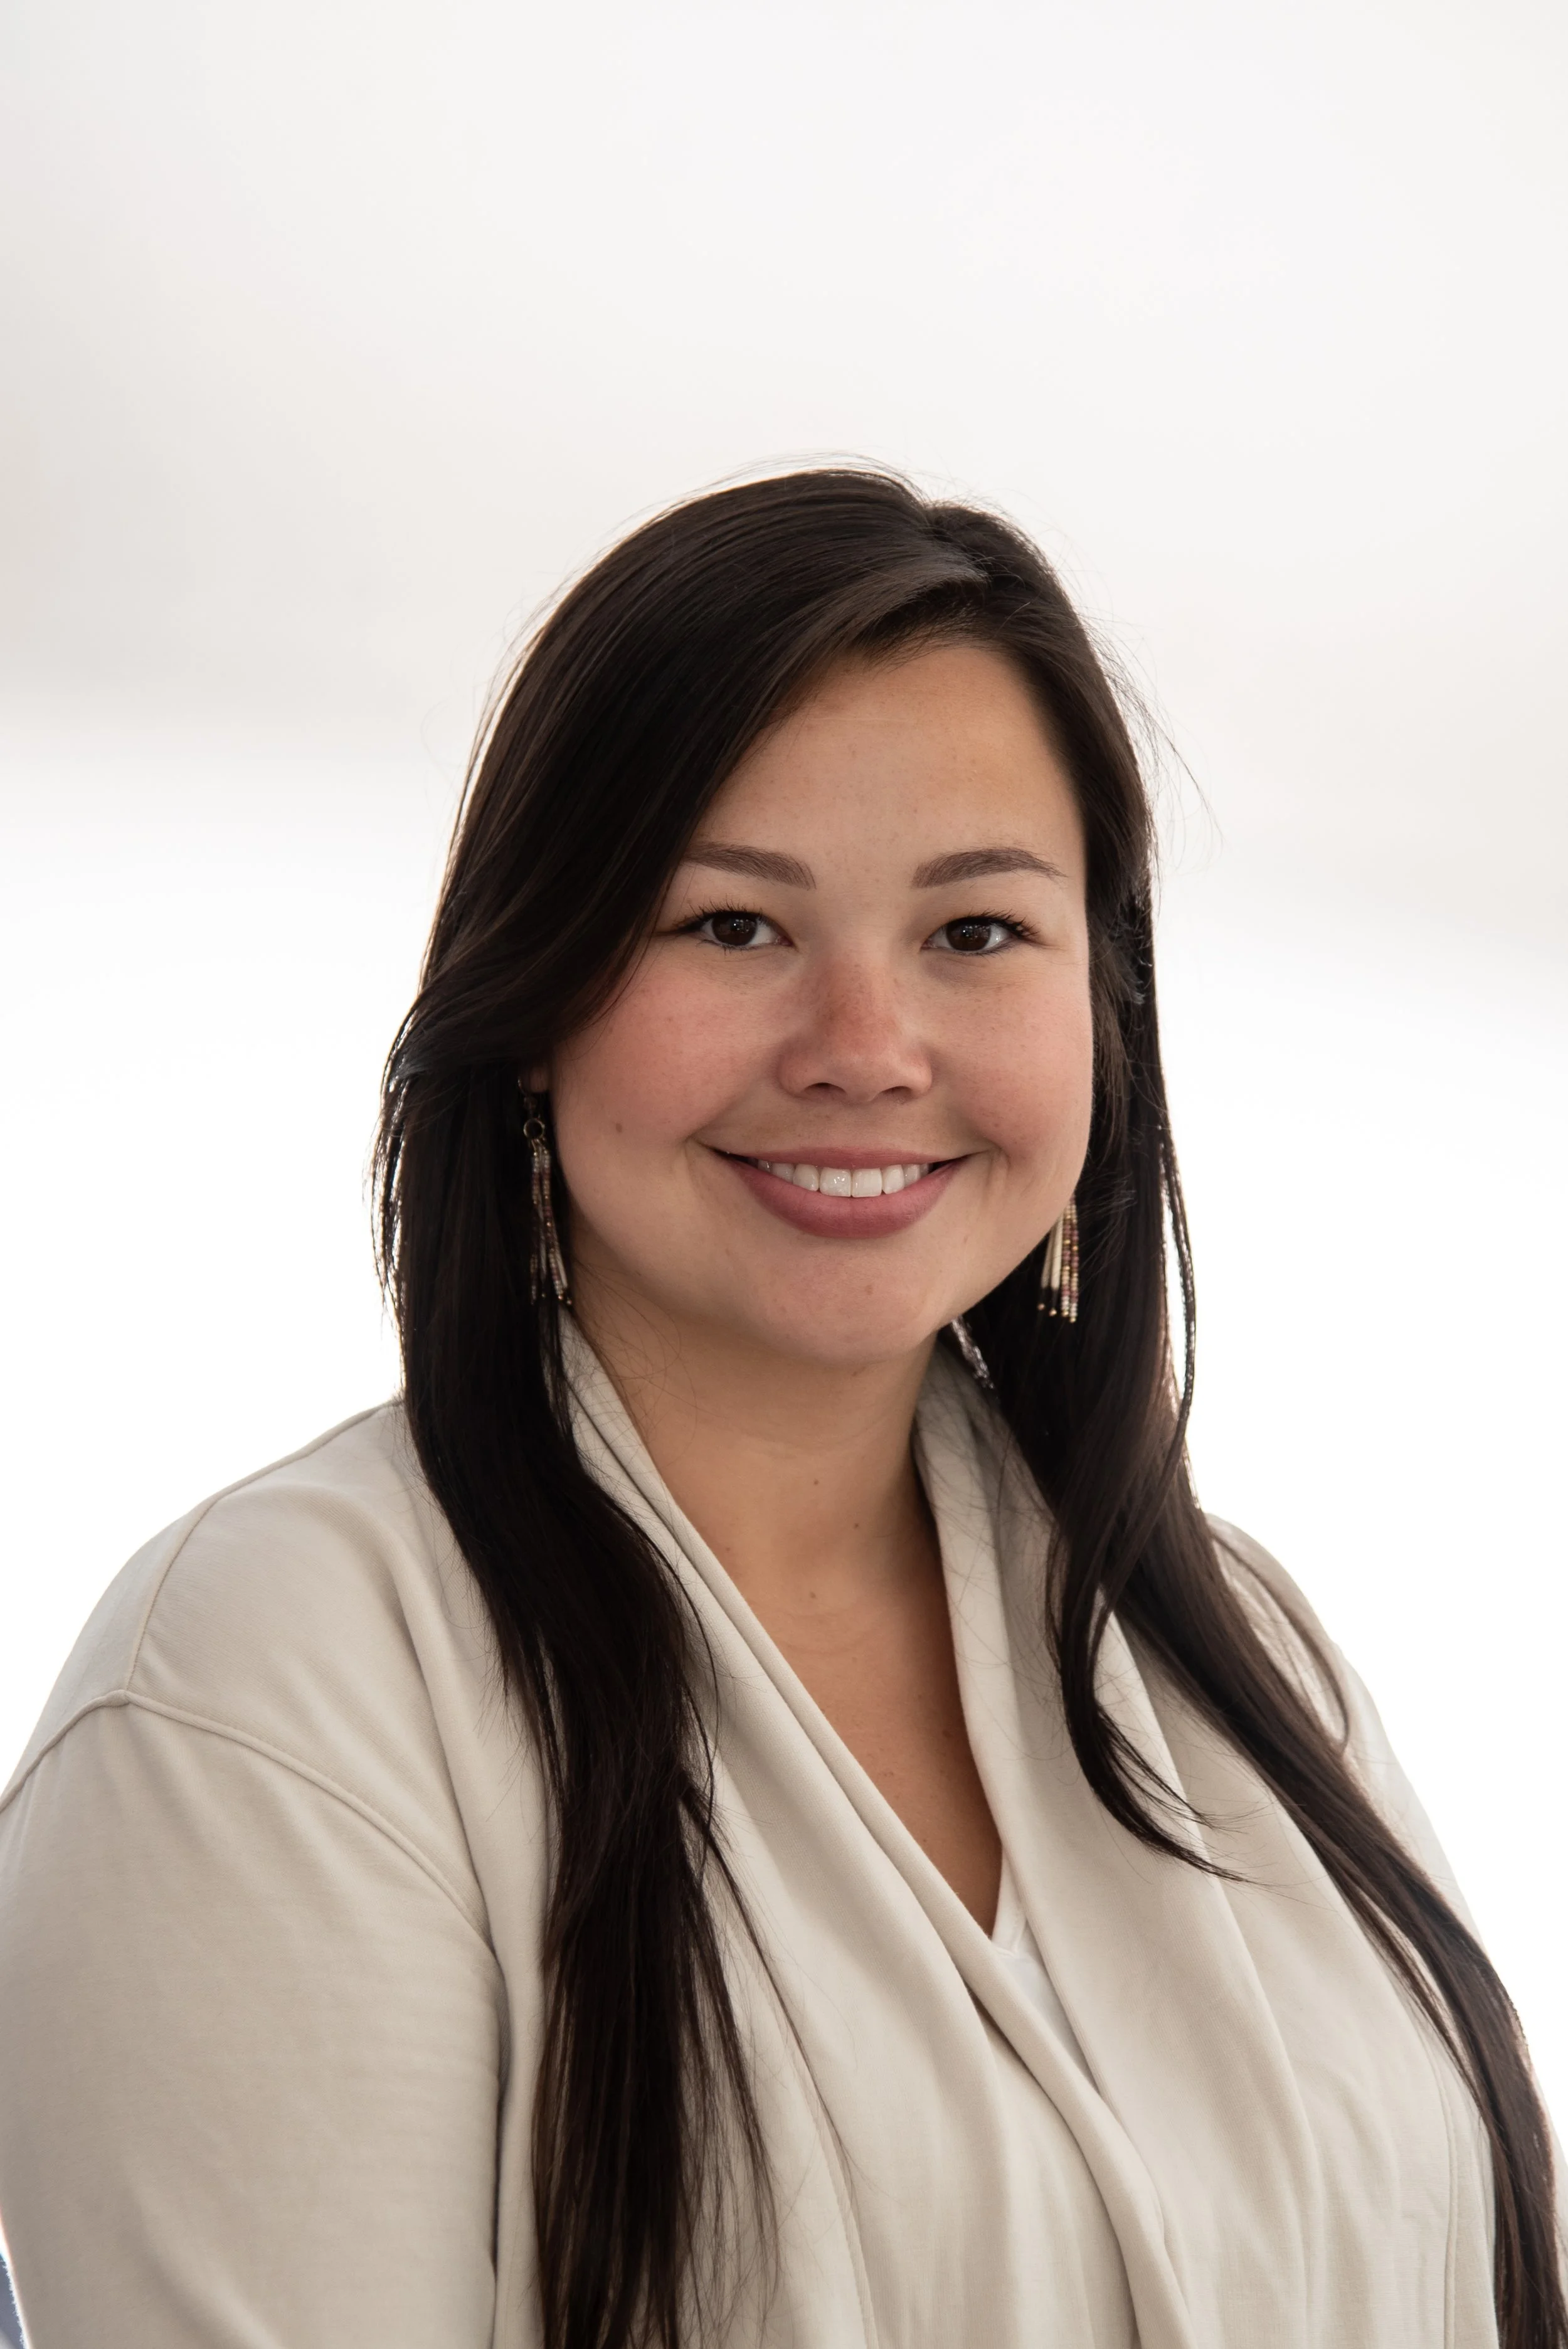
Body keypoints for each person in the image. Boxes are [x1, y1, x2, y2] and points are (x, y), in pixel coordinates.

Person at [0, 470, 1558, 2349]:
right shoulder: (273, 1691)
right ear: (536, 992)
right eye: (730, 928)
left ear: (1104, 1015)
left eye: (974, 934)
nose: (861, 1048)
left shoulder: (1243, 1657)